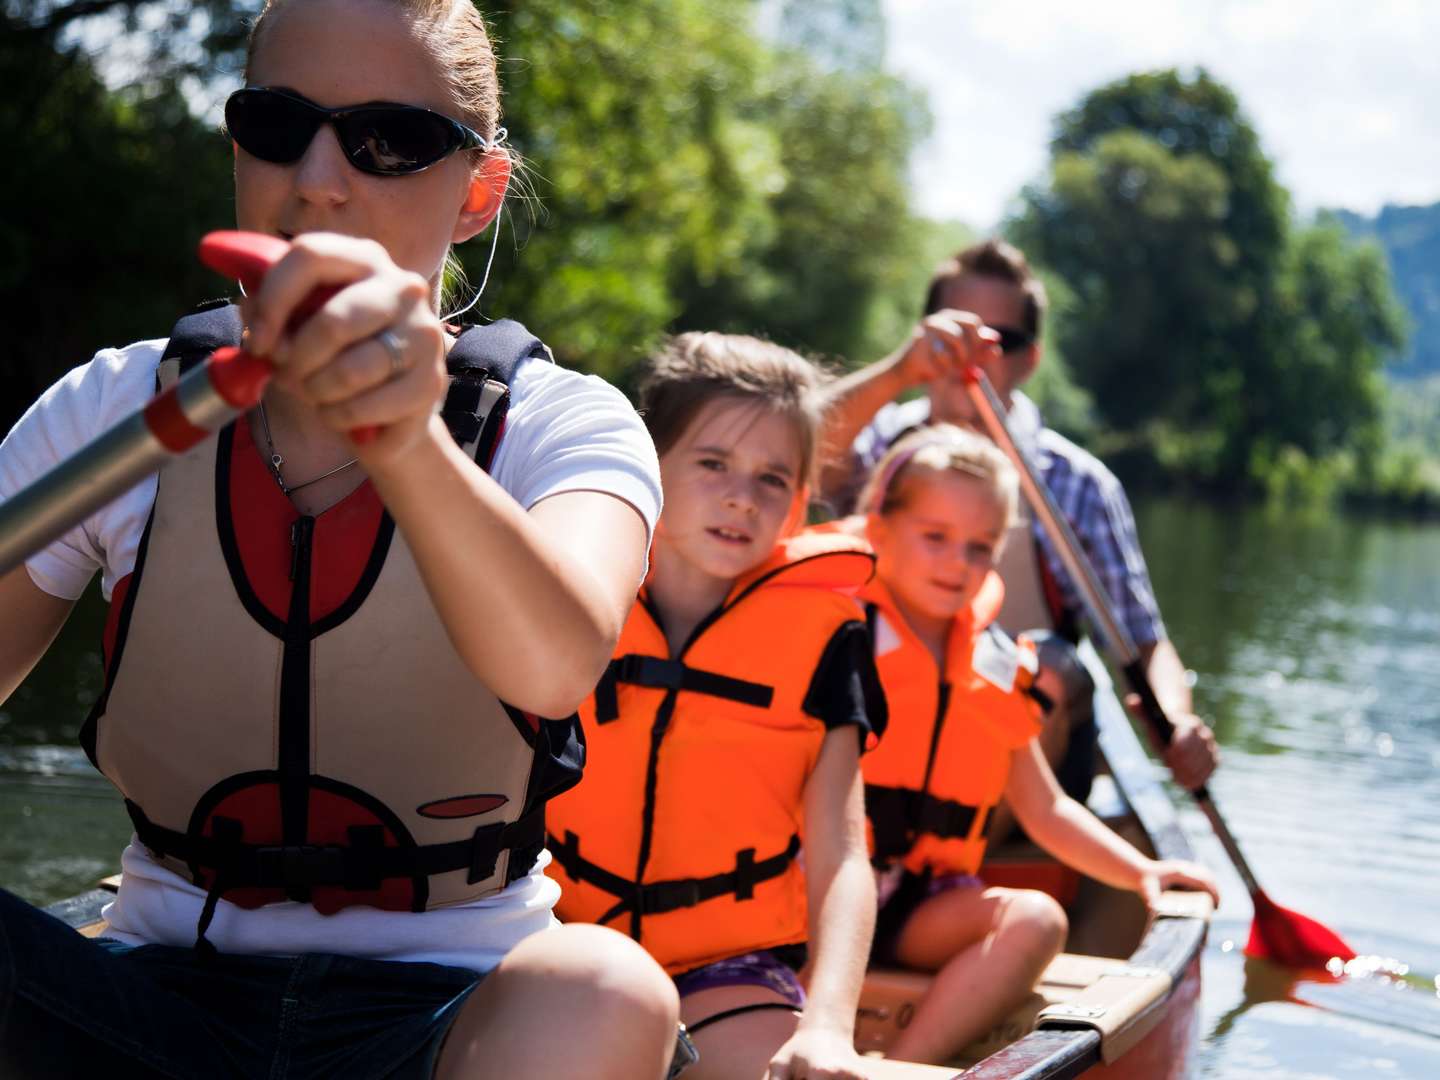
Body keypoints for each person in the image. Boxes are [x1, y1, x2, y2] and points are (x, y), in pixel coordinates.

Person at [0, 2, 683, 1077]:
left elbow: (557, 664)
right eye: (277, 124)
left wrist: (406, 438)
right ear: (237, 148)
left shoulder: (565, 425)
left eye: (390, 140)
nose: (316, 179)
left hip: (446, 1010)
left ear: (477, 194)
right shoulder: (111, 410)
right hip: (150, 1003)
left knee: (609, 986)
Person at [545, 333, 886, 1080]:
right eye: (712, 464)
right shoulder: (570, 591)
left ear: (800, 499)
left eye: (773, 478)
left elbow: (842, 853)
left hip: (725, 970)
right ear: (648, 462)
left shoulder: (827, 640)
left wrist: (829, 1027)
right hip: (561, 940)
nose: (741, 497)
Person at [839, 425, 1218, 1065]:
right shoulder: (835, 636)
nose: (959, 563)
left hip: (911, 904)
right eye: (935, 537)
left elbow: (1045, 809)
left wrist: (1143, 872)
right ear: (879, 527)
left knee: (1039, 920)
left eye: (980, 547)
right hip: (809, 892)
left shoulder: (989, 663)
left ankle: (904, 1064)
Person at [819, 238, 1218, 809]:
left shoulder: (1079, 483)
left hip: (1011, 768)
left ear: (1029, 359)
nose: (968, 357)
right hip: (877, 726)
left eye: (997, 341)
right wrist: (896, 372)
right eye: (952, 332)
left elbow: (1143, 643)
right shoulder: (875, 440)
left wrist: (1176, 720)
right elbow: (791, 454)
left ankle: (981, 841)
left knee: (1046, 665)